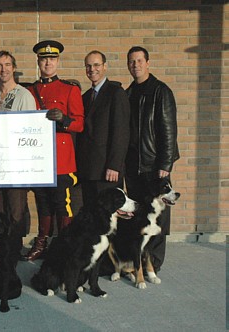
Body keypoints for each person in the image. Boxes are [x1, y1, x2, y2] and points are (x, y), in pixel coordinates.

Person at [23, 41, 84, 261]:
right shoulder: (29, 90)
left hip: (61, 160)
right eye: (43, 59)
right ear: (38, 61)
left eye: (52, 59)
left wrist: (64, 119)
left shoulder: (70, 89)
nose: (48, 62)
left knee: (61, 204)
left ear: (58, 61)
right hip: (38, 159)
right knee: (43, 203)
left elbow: (79, 124)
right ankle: (42, 243)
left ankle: (65, 246)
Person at [125, 46, 180, 272]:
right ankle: (139, 261)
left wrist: (165, 165)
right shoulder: (128, 93)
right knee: (140, 218)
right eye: (132, 61)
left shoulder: (160, 91)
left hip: (155, 167)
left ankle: (153, 264)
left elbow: (168, 131)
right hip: (134, 168)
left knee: (158, 217)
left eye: (139, 60)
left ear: (148, 63)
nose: (135, 64)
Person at [0, 50, 37, 261]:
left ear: (14, 68)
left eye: (7, 64)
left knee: (16, 211)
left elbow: (30, 131)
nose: (3, 69)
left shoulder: (24, 95)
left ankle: (14, 252)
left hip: (17, 165)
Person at [76, 50, 130, 207]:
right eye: (88, 66)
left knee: (108, 218)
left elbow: (121, 132)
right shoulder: (85, 97)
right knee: (92, 216)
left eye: (96, 65)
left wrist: (114, 165)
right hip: (88, 170)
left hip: (108, 171)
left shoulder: (116, 93)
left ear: (105, 66)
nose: (92, 69)